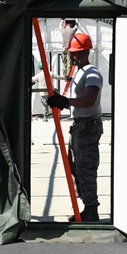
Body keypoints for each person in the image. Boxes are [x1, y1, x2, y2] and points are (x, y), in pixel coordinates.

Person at [47, 31, 103, 222]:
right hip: (80, 126)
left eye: (75, 52)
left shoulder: (92, 73)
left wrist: (66, 102)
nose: (71, 56)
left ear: (84, 53)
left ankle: (92, 210)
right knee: (76, 168)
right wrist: (60, 98)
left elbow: (89, 99)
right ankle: (86, 206)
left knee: (86, 168)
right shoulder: (78, 72)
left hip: (88, 126)